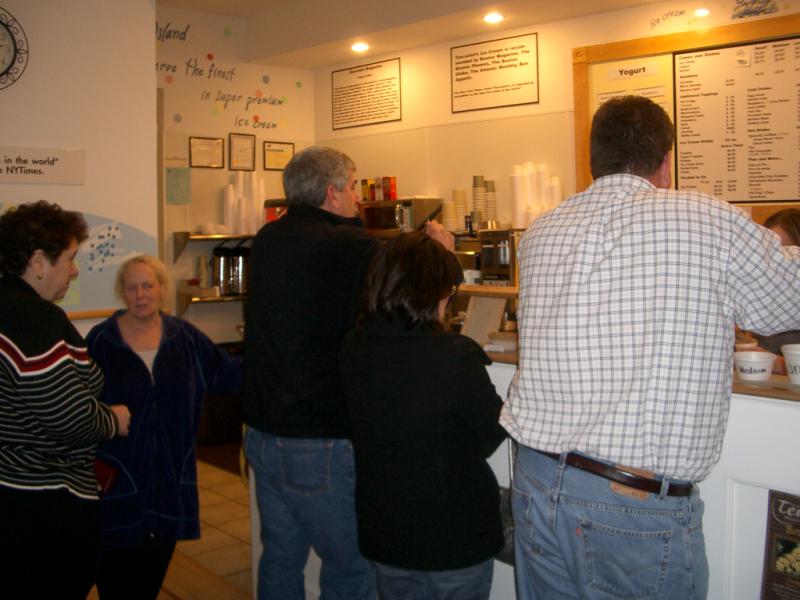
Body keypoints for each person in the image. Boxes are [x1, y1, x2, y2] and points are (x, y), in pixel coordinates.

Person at [501, 95, 800, 600]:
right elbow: (788, 300)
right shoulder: (707, 219)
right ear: (666, 161)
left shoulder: (540, 232)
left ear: (594, 160)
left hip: (536, 480)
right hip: (628, 506)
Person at [242, 145, 452, 599]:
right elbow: (412, 296)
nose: (358, 198)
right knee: (351, 569)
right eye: (354, 186)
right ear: (332, 192)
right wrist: (437, 252)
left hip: (263, 432)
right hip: (319, 439)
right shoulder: (347, 245)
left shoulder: (269, 238)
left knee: (279, 557)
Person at [341, 232, 507, 600]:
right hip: (455, 536)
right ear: (433, 293)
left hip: (386, 532)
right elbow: (491, 435)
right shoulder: (456, 356)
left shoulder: (354, 347)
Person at [87, 254, 243, 599]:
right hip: (120, 481)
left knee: (151, 575)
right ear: (122, 292)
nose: (140, 294)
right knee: (115, 577)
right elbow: (82, 404)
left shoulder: (184, 338)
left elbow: (226, 373)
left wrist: (274, 361)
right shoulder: (101, 341)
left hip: (171, 479)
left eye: (148, 285)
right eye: (132, 287)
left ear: (162, 289)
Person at [0, 200, 131, 600]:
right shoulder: (34, 319)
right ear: (39, 262)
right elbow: (68, 418)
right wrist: (112, 420)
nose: (75, 271)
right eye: (70, 259)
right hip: (41, 509)